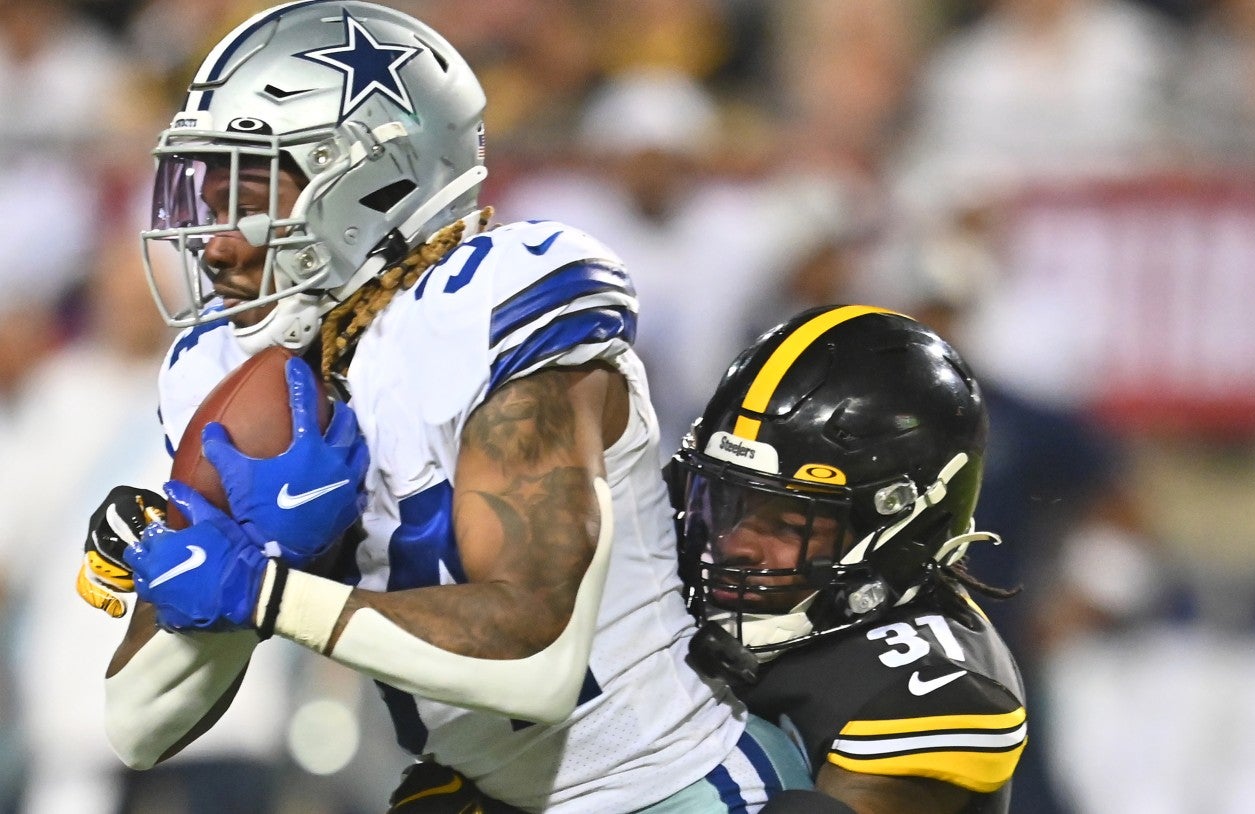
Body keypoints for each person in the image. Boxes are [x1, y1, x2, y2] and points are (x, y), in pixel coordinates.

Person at [75, 2, 809, 812]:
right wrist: (245, 570)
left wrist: (266, 593)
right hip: (483, 794)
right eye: (207, 192)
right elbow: (137, 724)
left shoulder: (493, 304)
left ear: (370, 177)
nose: (214, 240)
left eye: (251, 188)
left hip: (666, 783)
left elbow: (538, 658)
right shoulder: (230, 369)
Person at [667, 305, 1028, 813]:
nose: (734, 543)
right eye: (723, 502)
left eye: (790, 524)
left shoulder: (924, 686)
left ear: (901, 529)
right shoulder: (691, 549)